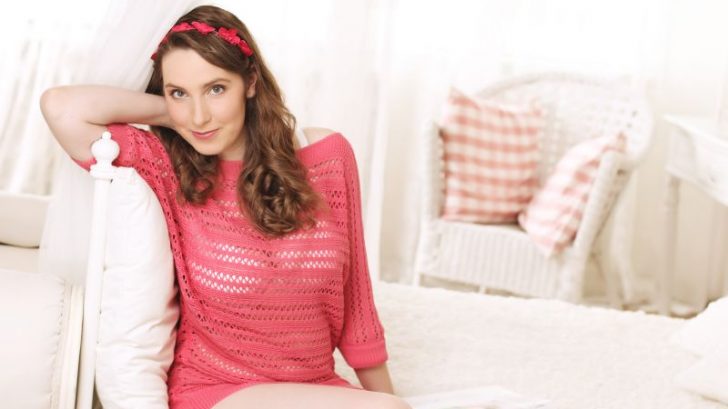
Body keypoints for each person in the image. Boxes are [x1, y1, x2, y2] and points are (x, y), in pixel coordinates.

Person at [40, 5, 410, 409]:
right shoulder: (166, 167)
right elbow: (62, 108)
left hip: (316, 387)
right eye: (179, 91)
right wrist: (175, 115)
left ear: (250, 82)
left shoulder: (328, 157)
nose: (200, 116)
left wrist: (390, 398)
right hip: (215, 389)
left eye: (216, 89)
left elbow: (357, 305)